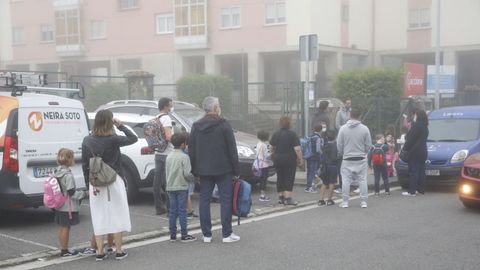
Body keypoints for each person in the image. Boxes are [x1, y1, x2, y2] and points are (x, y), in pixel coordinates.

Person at [81, 110, 137, 261]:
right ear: (109, 122)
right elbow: (133, 138)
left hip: (96, 182)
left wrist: (89, 183)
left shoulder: (87, 140)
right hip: (114, 180)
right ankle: (119, 251)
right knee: (117, 213)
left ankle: (100, 252)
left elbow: (85, 164)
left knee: (99, 215)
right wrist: (120, 125)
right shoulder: (113, 139)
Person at [188, 96, 241, 243]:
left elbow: (192, 149)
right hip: (224, 168)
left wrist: (195, 170)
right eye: (218, 105)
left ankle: (206, 235)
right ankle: (226, 234)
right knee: (225, 200)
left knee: (204, 200)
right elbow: (232, 149)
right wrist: (236, 170)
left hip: (203, 169)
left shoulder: (196, 126)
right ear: (216, 108)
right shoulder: (223, 124)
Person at [54, 148, 87, 258]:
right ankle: (64, 250)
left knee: (62, 227)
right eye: (72, 157)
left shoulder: (57, 171)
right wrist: (84, 194)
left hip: (60, 204)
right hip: (67, 206)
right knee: (66, 228)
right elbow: (71, 192)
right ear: (69, 159)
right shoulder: (68, 175)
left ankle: (64, 248)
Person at [337, 107, 372, 208]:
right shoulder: (365, 128)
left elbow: (339, 145)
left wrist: (343, 153)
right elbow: (368, 145)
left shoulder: (343, 128)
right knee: (362, 180)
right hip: (361, 158)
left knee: (346, 181)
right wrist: (363, 152)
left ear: (349, 115)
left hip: (347, 158)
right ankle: (364, 202)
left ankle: (345, 202)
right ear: (360, 116)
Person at [166, 133, 196, 243]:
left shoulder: (169, 156)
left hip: (170, 186)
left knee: (172, 211)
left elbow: (167, 172)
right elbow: (187, 173)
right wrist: (193, 179)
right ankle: (184, 234)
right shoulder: (184, 157)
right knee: (182, 211)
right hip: (182, 186)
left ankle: (173, 235)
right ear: (183, 144)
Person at [270, 116, 303, 206]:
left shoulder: (276, 133)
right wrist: (300, 159)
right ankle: (288, 198)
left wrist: (272, 154)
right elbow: (297, 149)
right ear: (289, 124)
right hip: (289, 159)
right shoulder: (292, 134)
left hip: (278, 158)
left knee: (280, 177)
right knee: (289, 177)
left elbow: (271, 146)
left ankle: (281, 197)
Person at [153, 98, 174, 215]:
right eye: (170, 105)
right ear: (166, 106)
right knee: (168, 181)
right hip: (167, 153)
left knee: (157, 181)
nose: (171, 107)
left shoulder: (157, 118)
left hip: (158, 152)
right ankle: (170, 209)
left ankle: (159, 207)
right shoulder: (166, 118)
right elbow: (168, 136)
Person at [402, 109, 429, 196]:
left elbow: (411, 139)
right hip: (423, 151)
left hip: (414, 152)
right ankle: (421, 190)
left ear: (417, 116)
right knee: (421, 171)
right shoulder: (425, 127)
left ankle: (412, 191)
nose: (414, 116)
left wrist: (405, 148)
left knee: (413, 171)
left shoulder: (416, 126)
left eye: (415, 115)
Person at [318, 130, 339, 206]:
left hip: (325, 166)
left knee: (324, 183)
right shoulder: (335, 146)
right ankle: (329, 199)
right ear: (335, 137)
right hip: (332, 166)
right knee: (331, 182)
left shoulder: (324, 145)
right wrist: (340, 157)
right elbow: (334, 158)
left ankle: (320, 200)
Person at [334, 98, 351, 194]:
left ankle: (346, 185)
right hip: (343, 135)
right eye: (348, 103)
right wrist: (345, 128)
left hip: (350, 136)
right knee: (342, 165)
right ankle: (342, 186)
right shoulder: (340, 113)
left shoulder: (351, 112)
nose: (349, 104)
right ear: (344, 103)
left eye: (350, 103)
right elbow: (337, 125)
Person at [305, 124, 324, 193]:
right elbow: (318, 149)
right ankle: (309, 187)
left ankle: (308, 186)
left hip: (308, 156)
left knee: (309, 171)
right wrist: (322, 153)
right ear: (321, 130)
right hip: (315, 157)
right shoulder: (318, 138)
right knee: (312, 172)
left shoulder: (310, 136)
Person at [255, 130, 273, 202]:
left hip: (258, 164)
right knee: (264, 180)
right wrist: (271, 153)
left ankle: (262, 195)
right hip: (264, 165)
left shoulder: (258, 144)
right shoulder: (264, 145)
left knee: (260, 179)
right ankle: (262, 196)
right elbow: (266, 156)